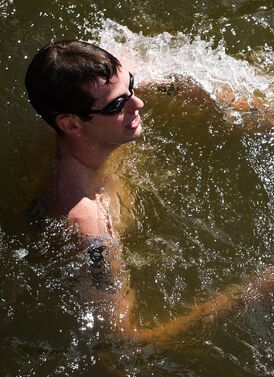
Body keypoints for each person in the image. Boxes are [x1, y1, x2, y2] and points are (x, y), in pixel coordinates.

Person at [25, 40, 237, 342]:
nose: (137, 103)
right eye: (116, 105)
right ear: (71, 124)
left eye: (132, 87)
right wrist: (242, 299)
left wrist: (228, 109)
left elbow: (128, 62)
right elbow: (125, 340)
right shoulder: (88, 226)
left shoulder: (67, 114)